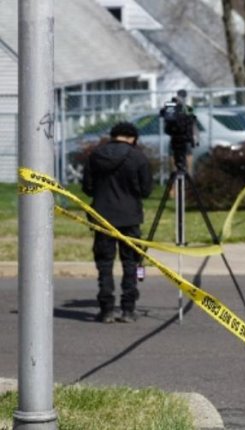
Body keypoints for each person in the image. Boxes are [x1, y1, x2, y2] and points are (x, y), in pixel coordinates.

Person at [82, 121, 154, 323]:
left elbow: (87, 187)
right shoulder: (137, 156)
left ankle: (106, 310)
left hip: (102, 216)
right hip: (130, 217)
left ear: (114, 135)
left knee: (104, 264)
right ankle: (128, 309)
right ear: (132, 138)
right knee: (130, 262)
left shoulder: (96, 155)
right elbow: (146, 190)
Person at [161, 89, 197, 172]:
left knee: (187, 168)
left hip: (184, 139)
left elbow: (192, 121)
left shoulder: (188, 109)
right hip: (177, 138)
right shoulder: (171, 108)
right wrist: (171, 106)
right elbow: (165, 116)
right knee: (174, 169)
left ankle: (186, 181)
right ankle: (176, 179)